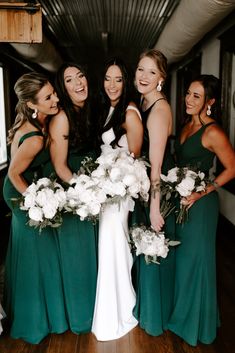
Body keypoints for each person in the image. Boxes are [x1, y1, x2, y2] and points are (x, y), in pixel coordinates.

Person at [2, 72, 70, 344]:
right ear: (32, 104)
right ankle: (35, 322)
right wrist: (38, 201)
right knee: (37, 254)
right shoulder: (34, 138)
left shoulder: (35, 121)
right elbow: (12, 176)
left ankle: (38, 314)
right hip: (22, 194)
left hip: (25, 190)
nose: (55, 99)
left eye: (54, 92)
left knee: (32, 252)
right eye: (48, 97)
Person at [167, 74, 235, 346]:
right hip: (182, 201)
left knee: (197, 262)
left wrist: (201, 192)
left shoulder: (212, 131)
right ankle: (183, 315)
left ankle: (196, 324)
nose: (188, 99)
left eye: (196, 96)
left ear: (211, 101)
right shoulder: (187, 124)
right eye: (188, 93)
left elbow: (232, 168)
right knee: (183, 260)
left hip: (201, 204)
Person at [91, 57, 143, 341]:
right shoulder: (107, 110)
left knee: (115, 246)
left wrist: (113, 181)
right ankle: (111, 307)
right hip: (105, 192)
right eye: (108, 78)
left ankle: (121, 309)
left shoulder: (130, 113)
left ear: (126, 82)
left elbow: (134, 160)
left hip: (119, 193)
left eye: (118, 79)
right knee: (107, 247)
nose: (112, 85)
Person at [46, 62, 98, 333]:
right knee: (77, 257)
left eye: (81, 75)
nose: (79, 82)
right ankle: (80, 318)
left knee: (89, 254)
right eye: (69, 80)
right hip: (73, 197)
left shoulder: (86, 111)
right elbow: (60, 167)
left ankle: (92, 313)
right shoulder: (63, 117)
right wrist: (86, 189)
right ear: (63, 89)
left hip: (88, 194)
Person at [132, 49, 176, 335]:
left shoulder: (158, 110)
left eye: (151, 72)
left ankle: (154, 317)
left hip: (156, 190)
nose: (144, 76)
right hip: (145, 186)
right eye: (140, 69)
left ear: (162, 78)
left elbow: (157, 166)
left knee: (152, 250)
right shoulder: (143, 102)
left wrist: (154, 207)